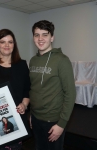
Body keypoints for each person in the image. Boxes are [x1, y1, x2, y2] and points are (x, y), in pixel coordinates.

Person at [29, 20, 76, 150]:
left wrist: (61, 124)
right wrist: (32, 115)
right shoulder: (33, 60)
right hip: (36, 118)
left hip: (54, 121)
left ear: (52, 38)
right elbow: (34, 89)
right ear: (33, 38)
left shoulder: (62, 60)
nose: (40, 38)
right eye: (36, 35)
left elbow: (70, 94)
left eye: (45, 34)